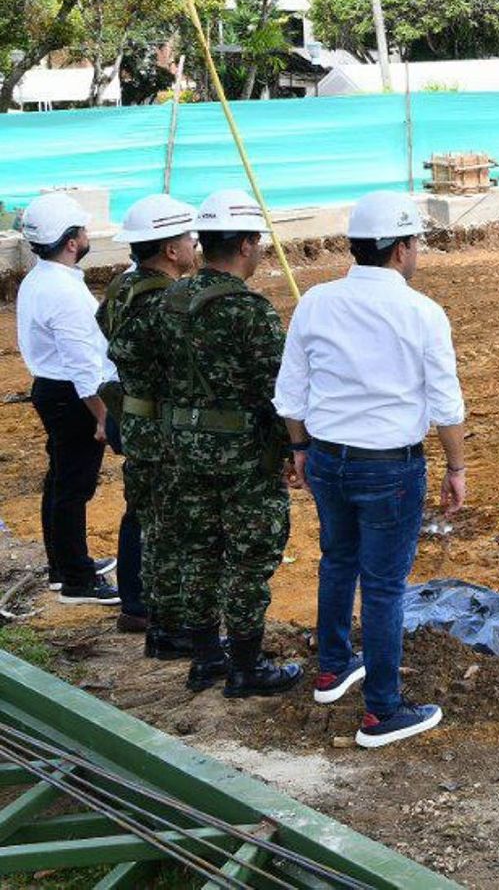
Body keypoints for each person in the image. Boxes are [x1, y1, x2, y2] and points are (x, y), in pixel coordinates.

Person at [275, 190, 467, 749]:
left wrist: (300, 448)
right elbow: (446, 405)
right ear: (401, 248)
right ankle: (382, 711)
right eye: (416, 244)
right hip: (389, 468)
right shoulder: (422, 312)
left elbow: (291, 392)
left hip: (329, 458)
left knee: (338, 560)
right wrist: (456, 466)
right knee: (383, 587)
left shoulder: (316, 302)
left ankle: (333, 668)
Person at [150, 189, 299, 697]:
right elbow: (278, 392)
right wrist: (293, 448)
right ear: (246, 244)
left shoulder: (169, 300)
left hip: (181, 451)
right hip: (244, 459)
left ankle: (206, 658)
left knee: (198, 552)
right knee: (249, 559)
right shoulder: (248, 311)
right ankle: (246, 666)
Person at [99, 194, 202, 652]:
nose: (195, 246)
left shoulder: (122, 286)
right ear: (171, 250)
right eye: (189, 239)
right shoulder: (170, 300)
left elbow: (106, 329)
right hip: (163, 423)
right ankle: (166, 618)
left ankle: (136, 604)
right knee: (170, 521)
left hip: (132, 414)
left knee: (139, 509)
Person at [14, 194, 120, 607]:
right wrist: (102, 416)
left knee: (60, 480)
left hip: (54, 389)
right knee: (74, 487)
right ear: (72, 241)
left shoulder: (42, 280)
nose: (88, 234)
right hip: (73, 396)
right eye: (83, 230)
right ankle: (77, 580)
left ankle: (64, 568)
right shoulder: (64, 292)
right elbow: (82, 366)